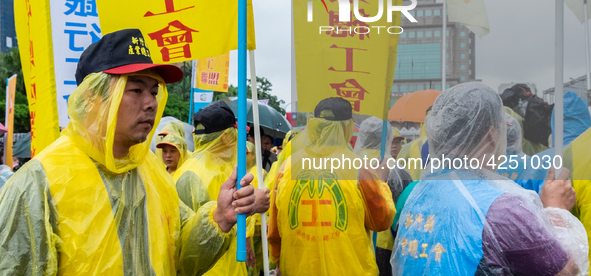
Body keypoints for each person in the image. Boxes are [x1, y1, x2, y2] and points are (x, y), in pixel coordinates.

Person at [0, 29, 257, 275]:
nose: (151, 103)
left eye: (154, 92)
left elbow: (180, 259)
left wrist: (220, 218)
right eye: (136, 90)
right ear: (92, 97)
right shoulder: (38, 182)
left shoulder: (152, 173)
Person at [391, 82, 588, 275]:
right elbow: (563, 271)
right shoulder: (502, 207)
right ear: (492, 135)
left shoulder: (417, 193)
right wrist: (557, 209)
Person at [268, 97, 395, 276]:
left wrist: (278, 260)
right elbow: (382, 219)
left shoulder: (287, 167)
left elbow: (275, 230)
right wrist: (381, 181)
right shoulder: (360, 169)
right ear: (347, 127)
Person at [174, 101, 271, 276]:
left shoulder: (219, 169)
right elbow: (199, 239)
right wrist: (254, 203)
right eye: (237, 135)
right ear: (227, 137)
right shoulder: (199, 175)